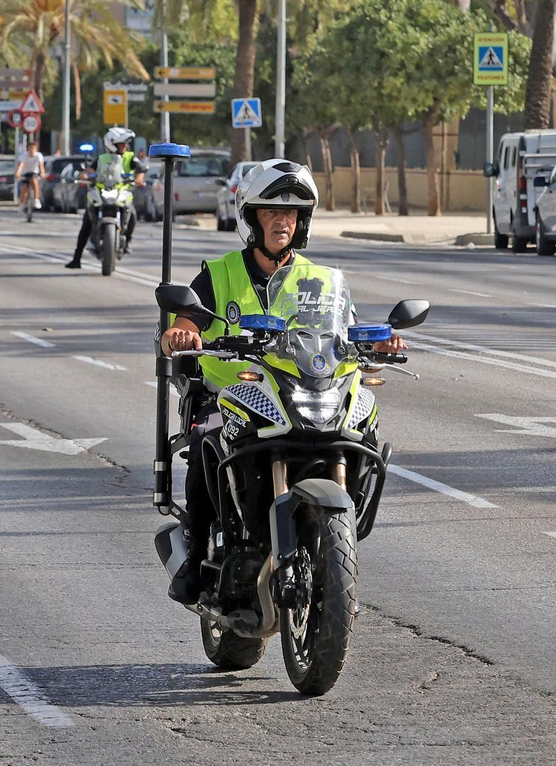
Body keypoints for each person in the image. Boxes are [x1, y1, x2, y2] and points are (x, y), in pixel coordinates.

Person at [156, 160, 407, 605]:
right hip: (232, 396)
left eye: (291, 214)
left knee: (362, 428)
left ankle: (334, 527)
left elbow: (344, 330)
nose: (282, 220)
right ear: (251, 218)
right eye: (271, 211)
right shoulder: (219, 274)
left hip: (301, 392)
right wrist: (181, 332)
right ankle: (195, 551)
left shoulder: (321, 280)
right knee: (204, 439)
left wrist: (380, 341)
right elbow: (187, 318)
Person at [66, 127, 142, 268]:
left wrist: (138, 178)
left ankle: (128, 242)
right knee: (87, 222)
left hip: (122, 192)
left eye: (125, 144)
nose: (124, 147)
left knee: (133, 215)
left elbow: (140, 169)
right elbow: (89, 171)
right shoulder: (101, 158)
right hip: (101, 190)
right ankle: (77, 258)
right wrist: (84, 175)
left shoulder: (130, 156)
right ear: (111, 143)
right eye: (121, 144)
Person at [16, 140, 44, 211]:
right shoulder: (23, 156)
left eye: (33, 148)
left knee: (35, 181)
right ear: (28, 149)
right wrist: (18, 173)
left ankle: (36, 200)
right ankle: (22, 203)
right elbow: (21, 165)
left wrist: (42, 173)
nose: (32, 150)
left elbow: (41, 165)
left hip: (34, 172)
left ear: (36, 149)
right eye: (30, 148)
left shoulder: (38, 155)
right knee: (24, 187)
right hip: (25, 173)